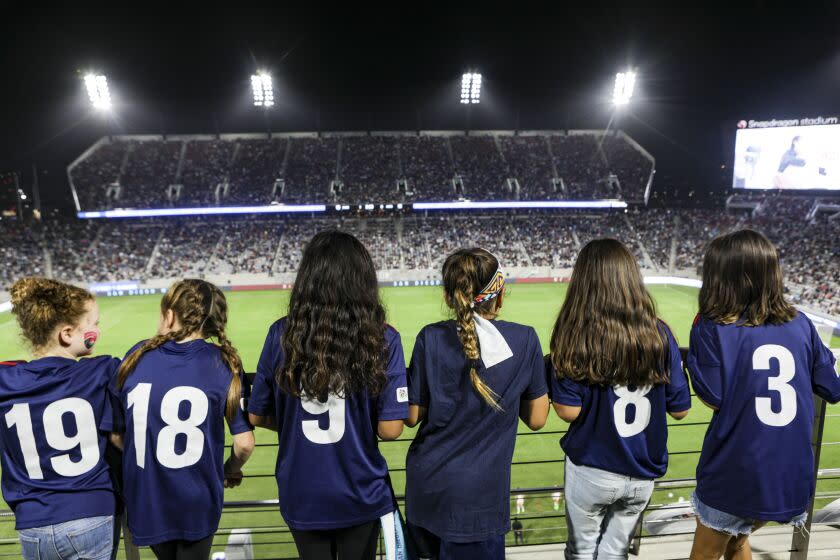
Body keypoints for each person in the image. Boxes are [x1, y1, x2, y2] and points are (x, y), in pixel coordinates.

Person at [248, 230, 408, 560]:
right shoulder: (383, 338)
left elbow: (255, 414)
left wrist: (295, 424)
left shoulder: (281, 334)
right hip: (360, 490)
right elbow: (391, 429)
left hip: (301, 490)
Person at [686, 230, 839, 560]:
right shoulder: (801, 323)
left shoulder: (712, 326)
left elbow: (713, 396)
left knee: (706, 553)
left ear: (720, 277)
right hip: (791, 476)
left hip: (736, 470)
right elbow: (832, 386)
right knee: (738, 539)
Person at [548, 239, 691, 560]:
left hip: (593, 470)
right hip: (643, 472)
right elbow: (680, 410)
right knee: (615, 553)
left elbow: (568, 411)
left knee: (582, 552)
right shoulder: (660, 333)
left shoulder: (577, 332)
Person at [405, 248, 549, 560]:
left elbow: (413, 416)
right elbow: (538, 419)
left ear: (449, 296)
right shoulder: (525, 340)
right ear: (500, 294)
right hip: (479, 502)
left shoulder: (429, 338)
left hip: (426, 491)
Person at [111, 279, 254, 560]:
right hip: (197, 501)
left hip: (147, 500)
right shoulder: (223, 362)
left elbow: (116, 435)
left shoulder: (137, 354)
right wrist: (228, 469)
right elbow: (245, 444)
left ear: (171, 314)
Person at [0, 278, 118, 560]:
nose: (97, 330)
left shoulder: (5, 379)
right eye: (93, 323)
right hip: (91, 513)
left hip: (33, 523)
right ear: (66, 333)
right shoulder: (102, 371)